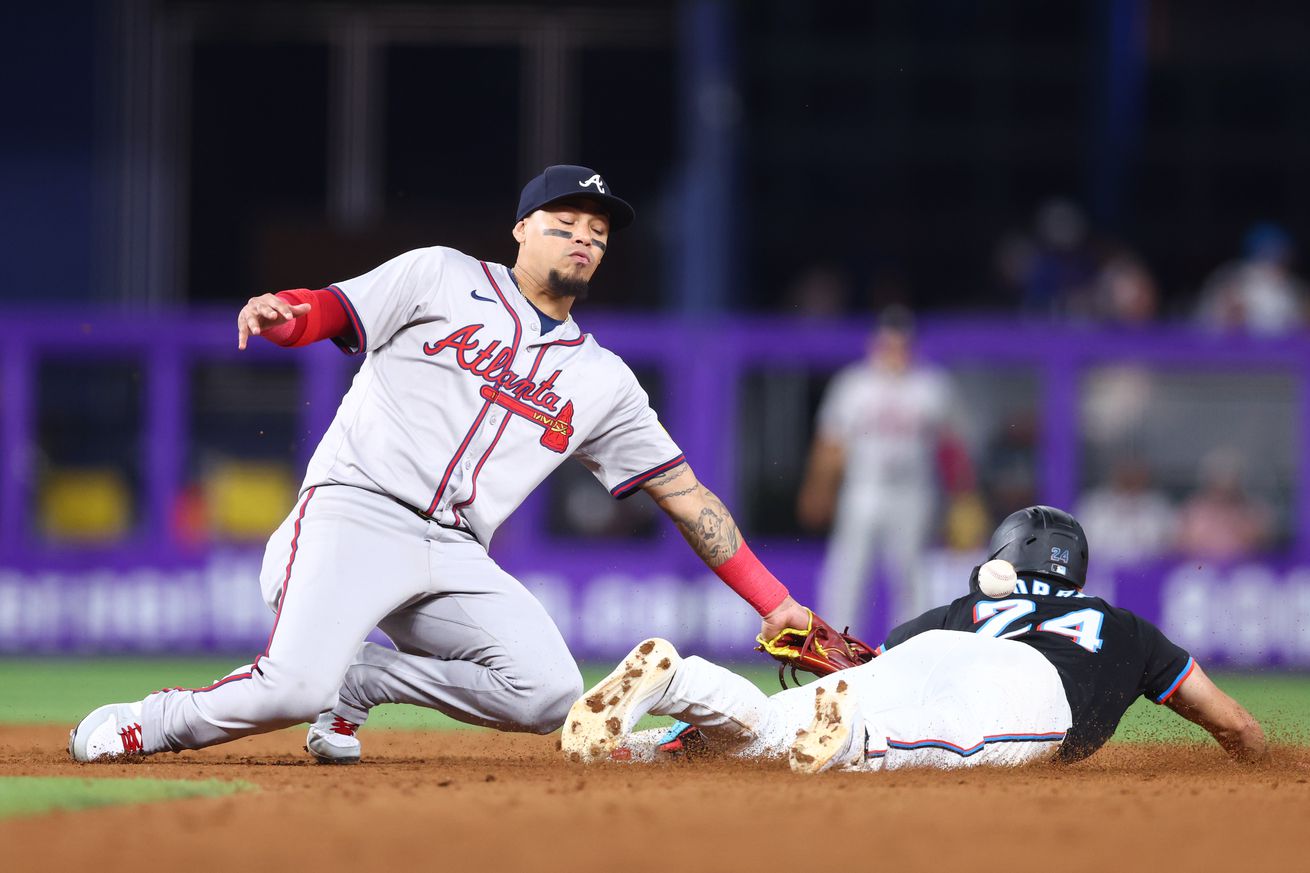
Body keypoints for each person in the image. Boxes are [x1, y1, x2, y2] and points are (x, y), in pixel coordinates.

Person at [68, 165, 816, 763]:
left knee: (550, 694)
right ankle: (153, 720)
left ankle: (364, 677)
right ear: (522, 228)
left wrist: (774, 600)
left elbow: (685, 497)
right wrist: (285, 312)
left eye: (597, 231)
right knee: (291, 689)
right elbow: (332, 309)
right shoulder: (441, 275)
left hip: (455, 550)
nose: (583, 238)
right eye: (564, 223)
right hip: (353, 512)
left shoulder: (605, 380)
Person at [562, 506, 1266, 773]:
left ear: (1005, 555)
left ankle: (676, 681)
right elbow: (1230, 721)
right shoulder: (1125, 626)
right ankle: (860, 741)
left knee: (779, 725)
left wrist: (852, 670)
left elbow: (882, 658)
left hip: (931, 650)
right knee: (947, 741)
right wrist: (1262, 764)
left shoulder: (963, 606)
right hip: (1031, 689)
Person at [797, 306, 959, 625]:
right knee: (848, 572)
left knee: (911, 574)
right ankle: (836, 646)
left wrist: (960, 497)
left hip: (913, 492)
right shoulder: (854, 383)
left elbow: (950, 446)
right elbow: (831, 443)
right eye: (889, 343)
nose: (895, 351)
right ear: (876, 343)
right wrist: (818, 489)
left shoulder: (931, 385)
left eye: (901, 343)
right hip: (863, 488)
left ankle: (912, 649)